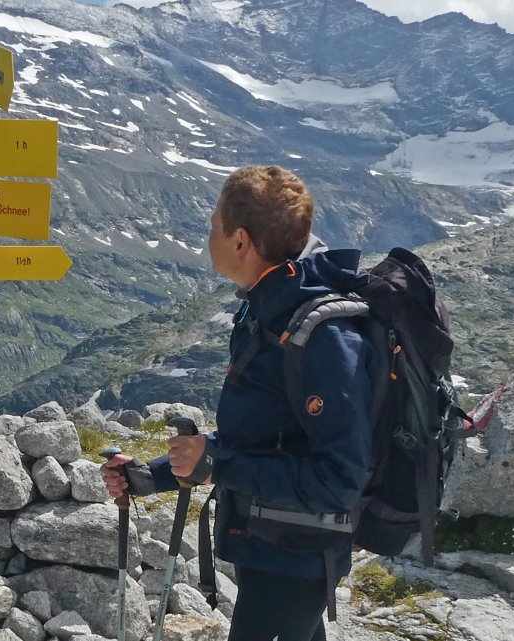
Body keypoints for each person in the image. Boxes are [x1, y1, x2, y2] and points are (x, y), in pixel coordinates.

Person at [104, 165, 378, 641]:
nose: (207, 237)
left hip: (294, 560)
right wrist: (153, 475)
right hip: (272, 551)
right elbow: (255, 439)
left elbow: (339, 481)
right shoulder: (268, 310)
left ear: (241, 241)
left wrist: (217, 466)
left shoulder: (321, 337)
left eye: (214, 227)